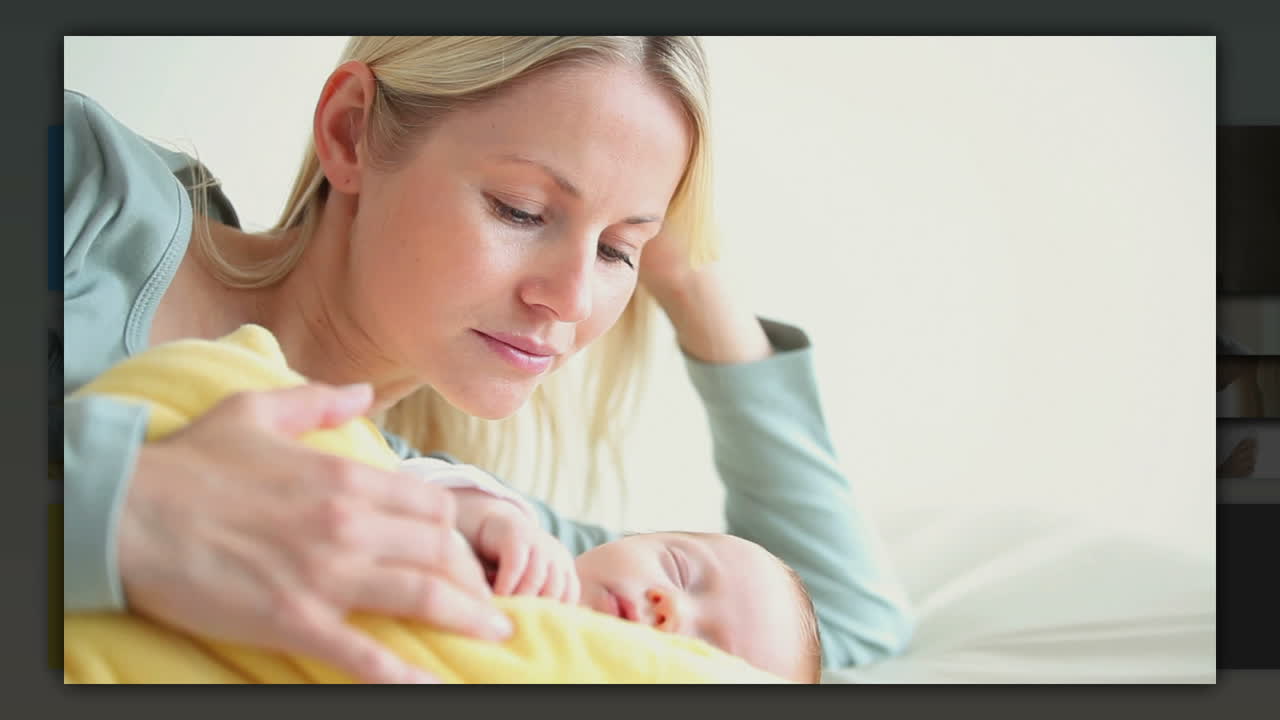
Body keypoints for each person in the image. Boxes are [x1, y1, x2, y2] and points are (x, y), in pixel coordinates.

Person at [63, 35, 913, 684]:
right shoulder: (75, 187)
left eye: (620, 251)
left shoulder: (444, 521)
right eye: (521, 209)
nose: (572, 301)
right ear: (350, 133)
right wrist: (118, 507)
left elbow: (836, 627)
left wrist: (690, 275)